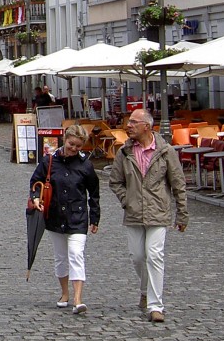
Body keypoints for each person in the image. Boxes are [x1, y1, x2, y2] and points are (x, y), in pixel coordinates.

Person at [108, 108, 188, 323]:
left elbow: (178, 184)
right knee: (137, 257)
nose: (129, 125)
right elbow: (115, 181)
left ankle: (156, 305)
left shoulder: (165, 151)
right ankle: (145, 290)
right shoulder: (124, 152)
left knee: (154, 256)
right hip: (134, 212)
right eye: (129, 121)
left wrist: (182, 214)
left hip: (158, 211)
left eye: (134, 122)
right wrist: (127, 200)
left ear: (147, 126)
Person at [30, 125, 100, 312]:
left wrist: (95, 218)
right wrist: (35, 198)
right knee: (61, 257)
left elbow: (94, 193)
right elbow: (35, 182)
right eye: (71, 144)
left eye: (78, 146)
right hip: (54, 216)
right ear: (64, 140)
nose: (74, 149)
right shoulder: (49, 161)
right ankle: (64, 292)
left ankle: (78, 298)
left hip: (78, 217)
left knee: (76, 254)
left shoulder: (85, 165)